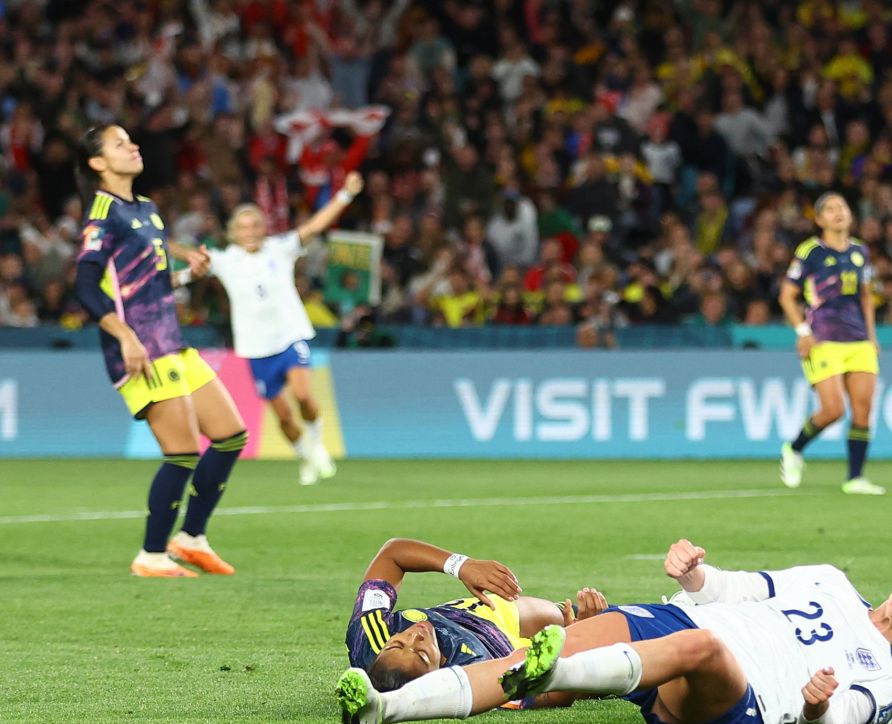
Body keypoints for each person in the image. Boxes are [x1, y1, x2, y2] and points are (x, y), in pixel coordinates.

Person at [335, 513, 892, 724]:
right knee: (525, 670)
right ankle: (386, 708)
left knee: (701, 646)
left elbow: (841, 717)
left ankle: (555, 666)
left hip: (738, 690)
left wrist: (815, 709)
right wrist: (694, 575)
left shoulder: (891, 682)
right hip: (675, 619)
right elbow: (737, 588)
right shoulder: (831, 581)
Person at [72, 124, 247, 578]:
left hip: (172, 342)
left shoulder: (147, 211)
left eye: (131, 140)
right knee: (183, 450)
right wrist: (125, 336)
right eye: (118, 144)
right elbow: (85, 285)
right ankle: (150, 555)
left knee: (230, 434)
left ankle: (191, 538)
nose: (132, 147)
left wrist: (190, 274)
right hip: (140, 348)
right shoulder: (102, 212)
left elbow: (149, 284)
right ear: (97, 163)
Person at [207, 171, 365, 485]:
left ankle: (318, 445)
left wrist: (345, 195)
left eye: (254, 225)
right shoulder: (225, 261)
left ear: (264, 228)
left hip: (290, 335)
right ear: (232, 233)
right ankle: (304, 456)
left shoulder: (280, 248)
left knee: (304, 395)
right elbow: (186, 255)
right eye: (242, 227)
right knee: (282, 415)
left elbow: (316, 226)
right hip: (256, 347)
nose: (249, 231)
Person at [344, 537, 606, 693]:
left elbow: (393, 554)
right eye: (422, 654)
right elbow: (556, 695)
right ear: (437, 673)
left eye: (398, 643)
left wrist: (461, 565)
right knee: (611, 636)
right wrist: (578, 643)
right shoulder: (468, 682)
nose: (415, 635)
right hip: (508, 652)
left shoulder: (369, 635)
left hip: (486, 613)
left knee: (560, 613)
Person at [776, 192, 885, 495]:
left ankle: (855, 478)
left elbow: (865, 296)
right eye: (831, 209)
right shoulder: (810, 251)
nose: (838, 213)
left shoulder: (860, 252)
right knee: (834, 409)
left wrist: (872, 336)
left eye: (843, 207)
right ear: (819, 219)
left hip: (858, 340)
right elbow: (786, 295)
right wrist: (802, 331)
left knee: (863, 410)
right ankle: (794, 448)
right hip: (823, 339)